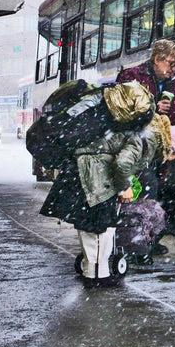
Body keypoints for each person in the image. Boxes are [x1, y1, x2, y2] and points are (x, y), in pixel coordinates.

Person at [39, 81, 155, 288]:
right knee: (102, 227)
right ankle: (97, 275)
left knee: (87, 226)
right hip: (96, 179)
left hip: (77, 172)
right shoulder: (123, 127)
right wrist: (124, 186)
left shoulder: (100, 115)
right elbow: (122, 163)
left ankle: (89, 269)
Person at [116, 39, 175, 124]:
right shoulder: (132, 76)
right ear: (157, 59)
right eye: (171, 63)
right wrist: (153, 109)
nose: (174, 69)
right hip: (136, 134)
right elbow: (123, 111)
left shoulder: (173, 83)